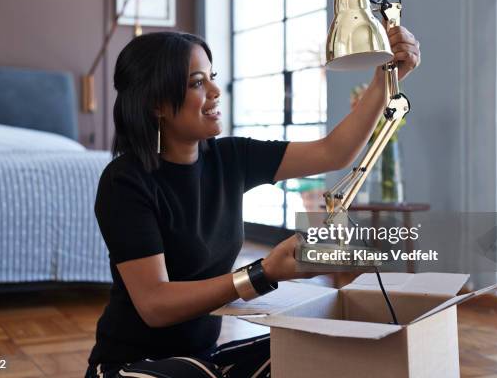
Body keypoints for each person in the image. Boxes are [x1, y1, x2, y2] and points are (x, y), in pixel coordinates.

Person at [85, 28, 420, 377]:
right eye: (197, 83)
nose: (216, 91)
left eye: (211, 77)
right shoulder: (124, 182)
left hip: (204, 360)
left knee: (321, 349)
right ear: (156, 103)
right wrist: (262, 273)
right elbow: (155, 305)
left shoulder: (231, 157)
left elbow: (334, 152)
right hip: (130, 367)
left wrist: (387, 76)